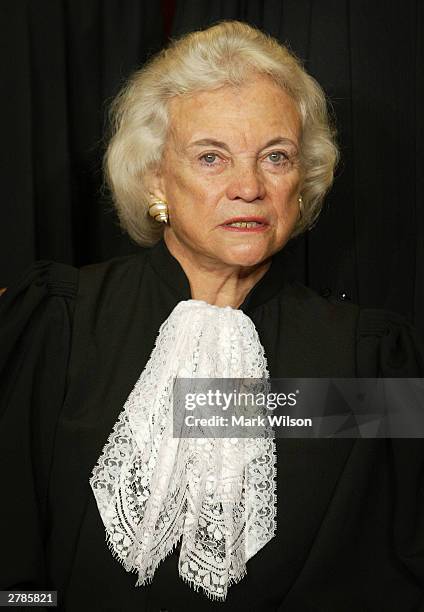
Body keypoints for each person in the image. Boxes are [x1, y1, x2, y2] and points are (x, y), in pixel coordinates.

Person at [1, 20, 423, 612]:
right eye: (211, 157)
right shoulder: (60, 323)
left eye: (275, 157)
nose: (248, 186)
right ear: (156, 179)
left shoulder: (369, 359)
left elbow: (381, 566)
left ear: (301, 183)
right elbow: (13, 563)